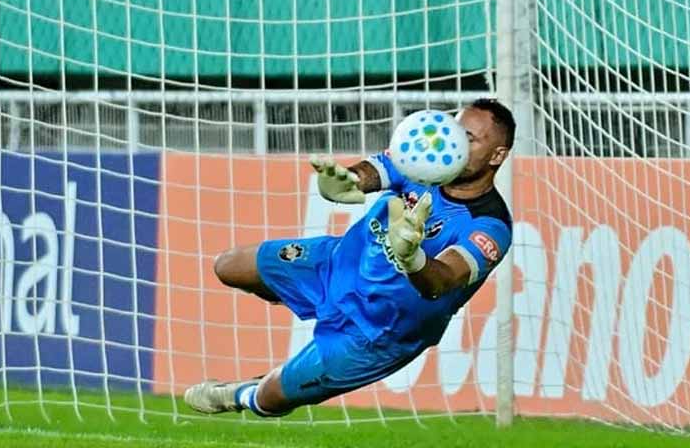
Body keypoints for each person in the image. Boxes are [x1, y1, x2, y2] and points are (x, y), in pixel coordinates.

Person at [184, 98, 516, 417]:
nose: (454, 145)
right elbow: (370, 173)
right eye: (455, 132)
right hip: (336, 265)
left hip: (378, 332)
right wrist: (346, 181)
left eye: (469, 139)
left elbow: (441, 282)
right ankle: (297, 300)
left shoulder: (490, 225)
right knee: (228, 266)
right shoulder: (424, 162)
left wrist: (411, 257)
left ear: (497, 155)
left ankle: (241, 393)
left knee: (269, 397)